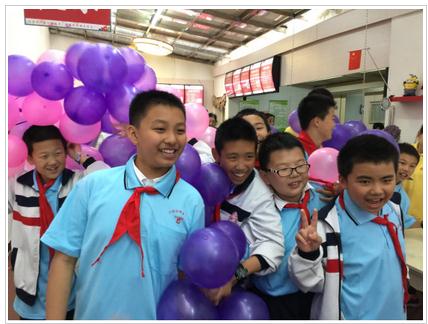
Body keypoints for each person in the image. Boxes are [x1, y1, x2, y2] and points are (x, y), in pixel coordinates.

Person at [41, 90, 205, 320]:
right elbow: (64, 260)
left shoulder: (191, 201)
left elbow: (184, 276)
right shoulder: (93, 186)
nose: (172, 139)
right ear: (133, 134)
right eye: (160, 129)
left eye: (179, 130)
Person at [289, 134, 408, 320]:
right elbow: (309, 283)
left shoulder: (393, 211)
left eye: (386, 180)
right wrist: (307, 255)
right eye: (365, 181)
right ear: (343, 181)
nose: (377, 190)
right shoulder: (326, 226)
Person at [8, 125, 109, 320]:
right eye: (44, 156)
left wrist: (81, 157)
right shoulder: (18, 185)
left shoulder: (77, 183)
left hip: (70, 287)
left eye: (58, 153)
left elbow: (105, 180)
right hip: (29, 288)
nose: (53, 161)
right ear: (30, 158)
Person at [205, 117, 284, 306]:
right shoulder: (202, 175)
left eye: (249, 157)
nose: (241, 166)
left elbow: (273, 245)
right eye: (233, 157)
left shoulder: (259, 194)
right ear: (216, 154)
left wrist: (234, 276)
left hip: (229, 283)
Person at [252, 132, 326, 319]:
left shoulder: (325, 195)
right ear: (265, 176)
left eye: (300, 165)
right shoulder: (258, 212)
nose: (295, 175)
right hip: (274, 304)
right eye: (283, 169)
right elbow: (245, 264)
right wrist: (234, 276)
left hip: (320, 297)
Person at [396, 143, 420, 228]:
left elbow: (403, 221)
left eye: (412, 166)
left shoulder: (403, 198)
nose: (406, 169)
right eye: (402, 163)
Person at [403, 125, 423, 226]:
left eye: (412, 166)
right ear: (419, 134)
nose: (407, 168)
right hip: (398, 211)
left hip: (420, 218)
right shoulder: (405, 152)